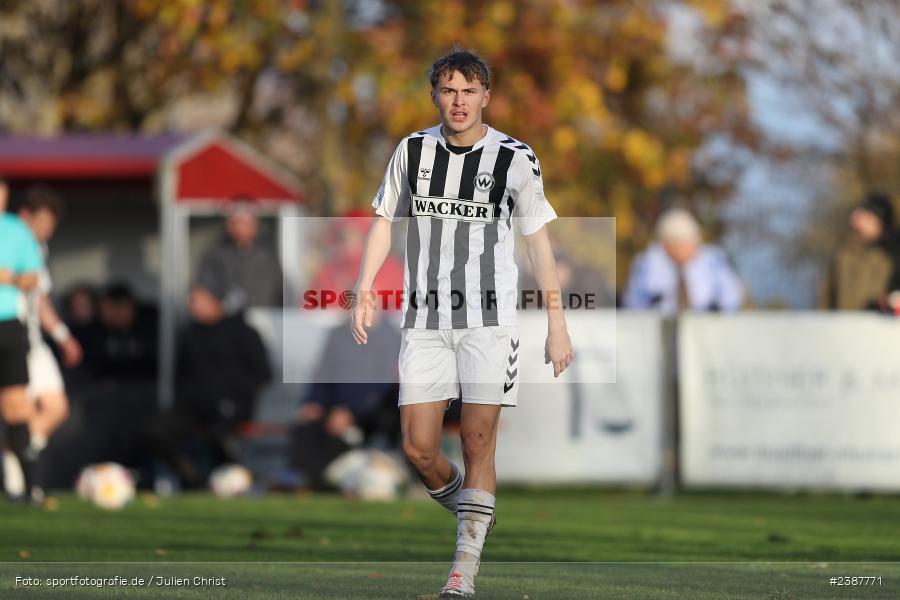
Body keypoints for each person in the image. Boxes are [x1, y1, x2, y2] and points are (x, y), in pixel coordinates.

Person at [351, 49, 574, 599]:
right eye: (449, 90)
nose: (458, 101)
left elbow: (538, 245)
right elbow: (384, 221)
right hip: (424, 321)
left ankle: (463, 571)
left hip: (489, 323)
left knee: (478, 440)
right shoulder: (412, 150)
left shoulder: (515, 158)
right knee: (419, 449)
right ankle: (475, 511)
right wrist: (364, 286)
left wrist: (556, 322)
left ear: (486, 97)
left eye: (469, 91)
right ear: (435, 95)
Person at [145, 284, 271, 488]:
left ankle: (235, 483)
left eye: (197, 300)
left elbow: (263, 374)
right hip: (194, 410)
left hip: (232, 410)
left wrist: (232, 397)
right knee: (155, 430)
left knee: (221, 438)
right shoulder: (190, 333)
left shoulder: (242, 332)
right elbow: (182, 374)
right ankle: (192, 479)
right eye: (191, 301)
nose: (192, 306)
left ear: (215, 301)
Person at [7, 186, 81, 500]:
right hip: (14, 336)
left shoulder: (36, 248)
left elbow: (40, 299)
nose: (47, 231)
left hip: (33, 341)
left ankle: (16, 456)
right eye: (43, 223)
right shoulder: (11, 240)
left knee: (54, 407)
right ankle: (18, 463)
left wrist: (62, 334)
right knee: (18, 409)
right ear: (25, 217)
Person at [289, 310, 401, 489]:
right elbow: (322, 375)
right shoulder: (338, 335)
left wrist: (351, 412)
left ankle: (327, 482)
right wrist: (313, 402)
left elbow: (386, 385)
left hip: (373, 414)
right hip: (335, 410)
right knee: (305, 428)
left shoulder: (391, 338)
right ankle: (304, 482)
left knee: (340, 440)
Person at [0, 177, 44, 502]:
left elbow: (33, 277)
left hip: (8, 327)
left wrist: (10, 277)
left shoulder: (16, 230)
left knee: (16, 406)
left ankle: (30, 487)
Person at [623, 208, 744, 315]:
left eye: (692, 242)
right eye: (682, 244)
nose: (690, 248)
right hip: (658, 332)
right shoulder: (647, 264)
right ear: (667, 244)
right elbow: (633, 306)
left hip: (708, 331)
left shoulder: (713, 261)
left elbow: (731, 301)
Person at [196, 202, 283, 311]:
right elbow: (203, 293)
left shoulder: (268, 256)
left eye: (247, 223)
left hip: (265, 320)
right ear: (229, 225)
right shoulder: (216, 255)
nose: (242, 228)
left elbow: (281, 291)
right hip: (228, 322)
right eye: (238, 222)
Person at [820, 192, 895, 311]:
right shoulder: (843, 252)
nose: (858, 220)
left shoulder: (891, 256)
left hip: (880, 327)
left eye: (868, 218)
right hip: (842, 325)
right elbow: (827, 296)